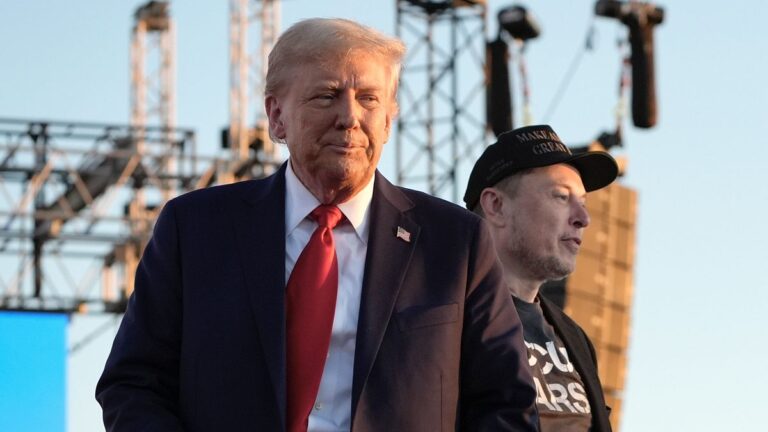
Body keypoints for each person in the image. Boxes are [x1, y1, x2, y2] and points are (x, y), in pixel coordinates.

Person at [96, 18, 537, 432]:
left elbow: (505, 404)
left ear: (388, 119)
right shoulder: (194, 230)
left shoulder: (455, 243)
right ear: (276, 117)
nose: (350, 117)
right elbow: (134, 384)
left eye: (369, 99)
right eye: (326, 96)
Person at [463, 124, 619, 432]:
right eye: (561, 197)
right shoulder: (440, 315)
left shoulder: (575, 338)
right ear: (496, 205)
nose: (583, 218)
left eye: (583, 203)